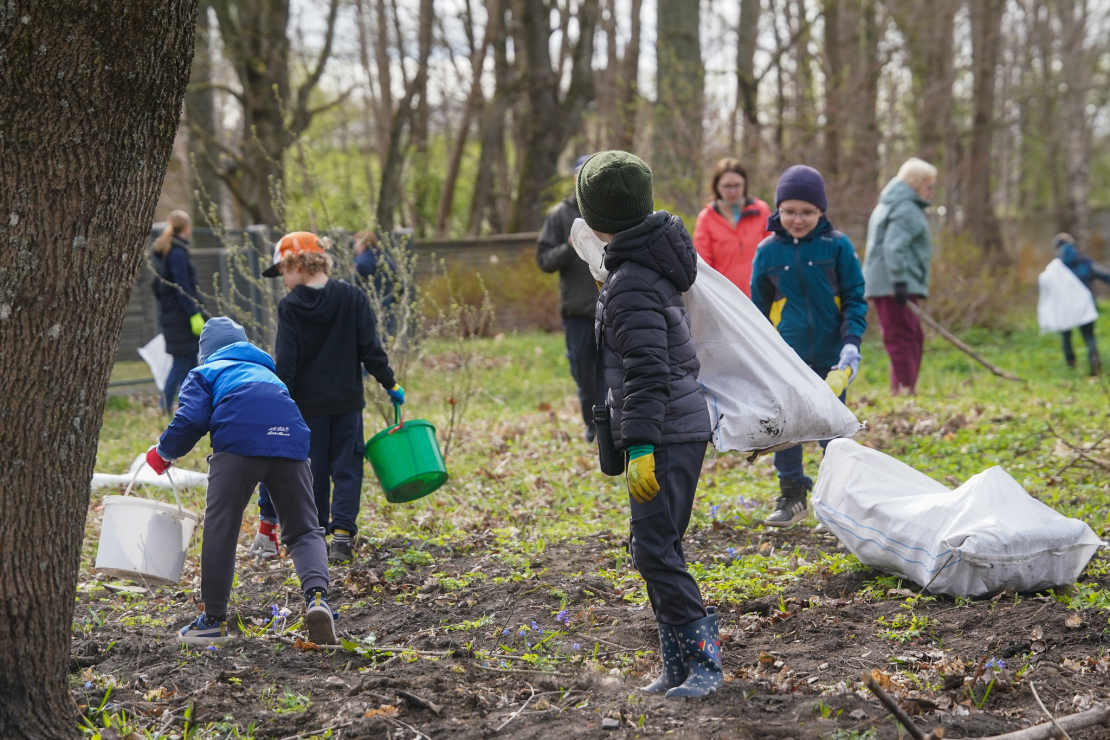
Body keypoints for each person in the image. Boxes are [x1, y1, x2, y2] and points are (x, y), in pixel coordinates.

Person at [578, 151, 721, 699]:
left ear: (596, 217)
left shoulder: (632, 280)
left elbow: (647, 369)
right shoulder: (640, 265)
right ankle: (677, 664)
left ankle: (704, 664)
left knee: (656, 549)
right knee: (652, 546)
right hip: (669, 427)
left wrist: (638, 443)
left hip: (664, 431)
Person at [144, 317, 336, 646]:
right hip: (291, 442)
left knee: (222, 527)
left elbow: (190, 419)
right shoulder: (269, 374)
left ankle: (213, 621)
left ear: (207, 352)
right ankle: (318, 601)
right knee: (304, 529)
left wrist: (163, 453)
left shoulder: (205, 372)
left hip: (237, 444)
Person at [252, 232, 404, 564]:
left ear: (297, 263)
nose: (283, 282)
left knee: (314, 472)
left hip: (307, 410)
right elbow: (370, 350)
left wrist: (278, 403)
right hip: (348, 404)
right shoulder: (353, 297)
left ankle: (316, 535)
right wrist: (389, 383)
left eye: (283, 273)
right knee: (348, 468)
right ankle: (344, 537)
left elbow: (287, 365)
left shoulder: (289, 308)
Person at [750, 165, 867, 527]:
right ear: (778, 210)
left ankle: (841, 501)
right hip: (787, 358)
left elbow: (854, 300)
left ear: (821, 212)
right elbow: (755, 312)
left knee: (835, 431)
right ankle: (793, 494)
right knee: (786, 428)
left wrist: (850, 345)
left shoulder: (837, 246)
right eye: (789, 211)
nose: (797, 219)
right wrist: (759, 354)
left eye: (806, 212)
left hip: (833, 359)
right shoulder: (768, 251)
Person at [536, 155, 599, 442]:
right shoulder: (559, 215)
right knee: (585, 376)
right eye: (581, 175)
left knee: (617, 373)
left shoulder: (612, 210)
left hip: (612, 307)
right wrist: (569, 246)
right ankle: (593, 427)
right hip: (577, 311)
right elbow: (544, 261)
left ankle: (618, 426)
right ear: (575, 179)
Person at [863, 158, 937, 394]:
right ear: (916, 184)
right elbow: (894, 247)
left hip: (890, 283)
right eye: (929, 186)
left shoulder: (892, 203)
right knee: (904, 338)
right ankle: (904, 391)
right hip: (893, 285)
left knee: (911, 335)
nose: (931, 191)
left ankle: (904, 388)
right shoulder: (905, 208)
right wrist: (900, 281)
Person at [692, 158, 772, 297]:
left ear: (745, 184)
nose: (733, 191)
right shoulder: (707, 217)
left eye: (737, 185)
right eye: (727, 186)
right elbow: (702, 264)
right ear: (717, 186)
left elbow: (773, 253)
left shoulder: (761, 211)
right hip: (725, 298)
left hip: (760, 294)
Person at [151, 210, 204, 412]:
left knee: (189, 363)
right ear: (187, 228)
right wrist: (193, 314)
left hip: (175, 315)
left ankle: (188, 406)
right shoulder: (177, 253)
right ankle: (164, 407)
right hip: (180, 317)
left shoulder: (169, 252)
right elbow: (183, 287)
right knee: (182, 363)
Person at [1055, 233, 1110, 375]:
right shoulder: (1084, 261)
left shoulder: (1055, 267)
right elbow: (1105, 275)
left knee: (1066, 337)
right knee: (1089, 336)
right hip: (1085, 306)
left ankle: (1071, 366)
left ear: (1057, 249)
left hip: (1064, 307)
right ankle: (1094, 364)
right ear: (1074, 246)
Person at [353, 229, 397, 336]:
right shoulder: (387, 259)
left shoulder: (361, 262)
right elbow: (397, 283)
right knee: (385, 337)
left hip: (367, 306)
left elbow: (353, 283)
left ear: (363, 243)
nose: (354, 247)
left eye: (356, 243)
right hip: (387, 303)